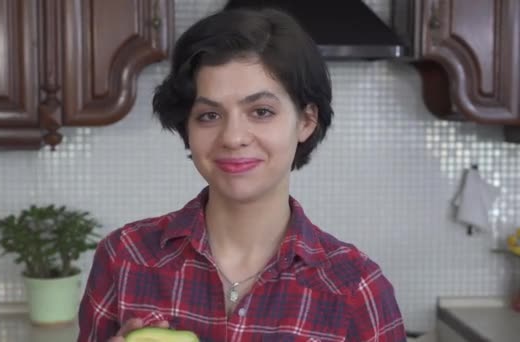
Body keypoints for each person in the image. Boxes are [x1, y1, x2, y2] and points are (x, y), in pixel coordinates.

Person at [77, 6, 406, 342]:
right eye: (208, 115)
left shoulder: (357, 288)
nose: (233, 137)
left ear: (306, 121)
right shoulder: (125, 257)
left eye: (261, 111)